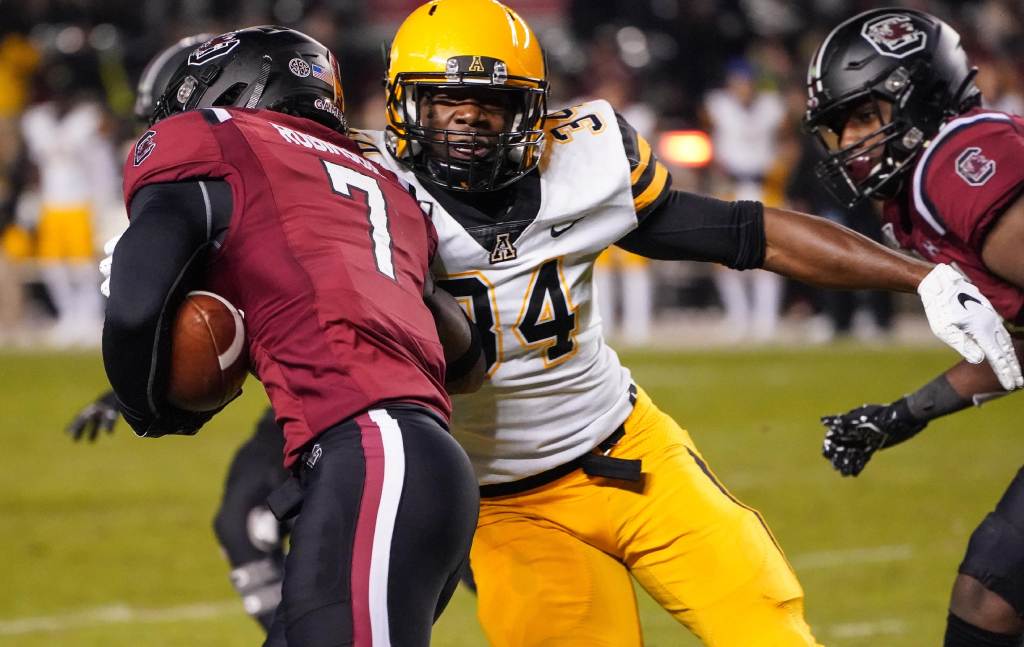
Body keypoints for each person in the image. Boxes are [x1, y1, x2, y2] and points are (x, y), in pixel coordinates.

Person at [98, 3, 1021, 645]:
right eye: (446, 100)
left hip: (629, 451)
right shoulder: (366, 191)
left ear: (532, 110)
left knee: (767, 623)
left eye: (490, 103)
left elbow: (741, 231)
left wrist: (925, 278)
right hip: (501, 501)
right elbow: (319, 335)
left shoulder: (585, 160)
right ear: (402, 105)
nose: (465, 123)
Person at [102, 26, 484, 647]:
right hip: (414, 461)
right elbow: (467, 355)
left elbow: (135, 302)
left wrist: (150, 406)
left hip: (372, 456)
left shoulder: (215, 137)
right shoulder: (384, 187)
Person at [805, 8, 1024, 647]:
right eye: (839, 126)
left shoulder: (955, 161)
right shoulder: (916, 201)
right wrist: (907, 412)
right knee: (991, 595)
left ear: (922, 98)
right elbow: (1017, 346)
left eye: (864, 117)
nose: (848, 141)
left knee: (991, 596)